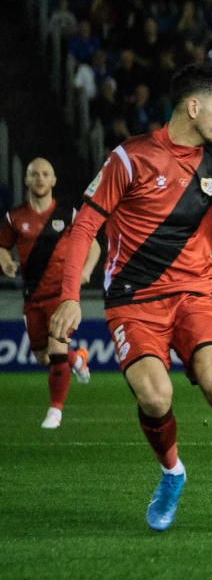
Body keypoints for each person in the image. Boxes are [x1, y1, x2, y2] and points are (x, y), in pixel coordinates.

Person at [49, 63, 212, 540]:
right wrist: (70, 296)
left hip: (193, 299)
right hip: (133, 302)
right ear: (193, 106)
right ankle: (172, 472)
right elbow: (85, 226)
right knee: (155, 395)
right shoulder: (129, 159)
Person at [0, 159, 100, 429]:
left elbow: (94, 245)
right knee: (43, 357)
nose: (40, 179)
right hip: (32, 297)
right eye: (35, 174)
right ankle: (76, 358)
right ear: (27, 180)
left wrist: (86, 272)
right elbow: (2, 246)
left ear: (54, 180)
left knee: (56, 351)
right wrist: (6, 262)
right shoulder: (14, 217)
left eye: (46, 174)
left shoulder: (69, 214)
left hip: (61, 295)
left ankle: (55, 411)